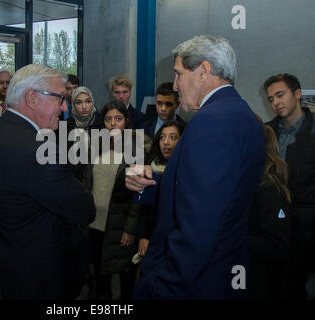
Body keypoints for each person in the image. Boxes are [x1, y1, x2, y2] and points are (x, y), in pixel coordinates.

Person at [125, 35, 265, 299]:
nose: (175, 85)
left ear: (204, 71)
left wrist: (163, 286)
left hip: (193, 282)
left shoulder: (211, 121)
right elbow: (214, 194)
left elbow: (199, 226)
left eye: (178, 74)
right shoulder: (240, 114)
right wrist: (152, 182)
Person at [0, 64, 96, 300]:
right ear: (31, 97)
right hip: (41, 277)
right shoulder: (40, 150)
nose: (65, 108)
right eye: (60, 99)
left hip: (7, 267)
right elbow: (85, 210)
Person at [83, 99, 149, 300]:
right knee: (101, 278)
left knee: (125, 278)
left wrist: (130, 229)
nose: (112, 123)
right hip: (95, 224)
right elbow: (87, 182)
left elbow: (138, 194)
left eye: (118, 119)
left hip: (120, 227)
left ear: (126, 121)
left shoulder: (135, 150)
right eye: (108, 119)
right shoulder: (95, 146)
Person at [263, 73, 315, 299]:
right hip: (271, 223)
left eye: (280, 95)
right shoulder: (266, 132)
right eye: (271, 99)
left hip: (306, 226)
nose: (275, 102)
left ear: (297, 94)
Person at [247, 115, 291, 299]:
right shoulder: (246, 180)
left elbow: (276, 245)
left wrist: (230, 237)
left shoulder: (268, 187)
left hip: (261, 279)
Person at [136, 121, 185, 260]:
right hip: (152, 238)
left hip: (175, 241)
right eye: (162, 137)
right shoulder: (151, 169)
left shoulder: (186, 173)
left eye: (173, 137)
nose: (166, 142)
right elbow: (144, 209)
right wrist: (144, 236)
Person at [66, 86, 100, 181]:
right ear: (73, 104)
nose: (84, 107)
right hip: (72, 181)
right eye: (79, 102)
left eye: (88, 102)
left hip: (96, 180)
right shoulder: (65, 126)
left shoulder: (102, 124)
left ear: (93, 102)